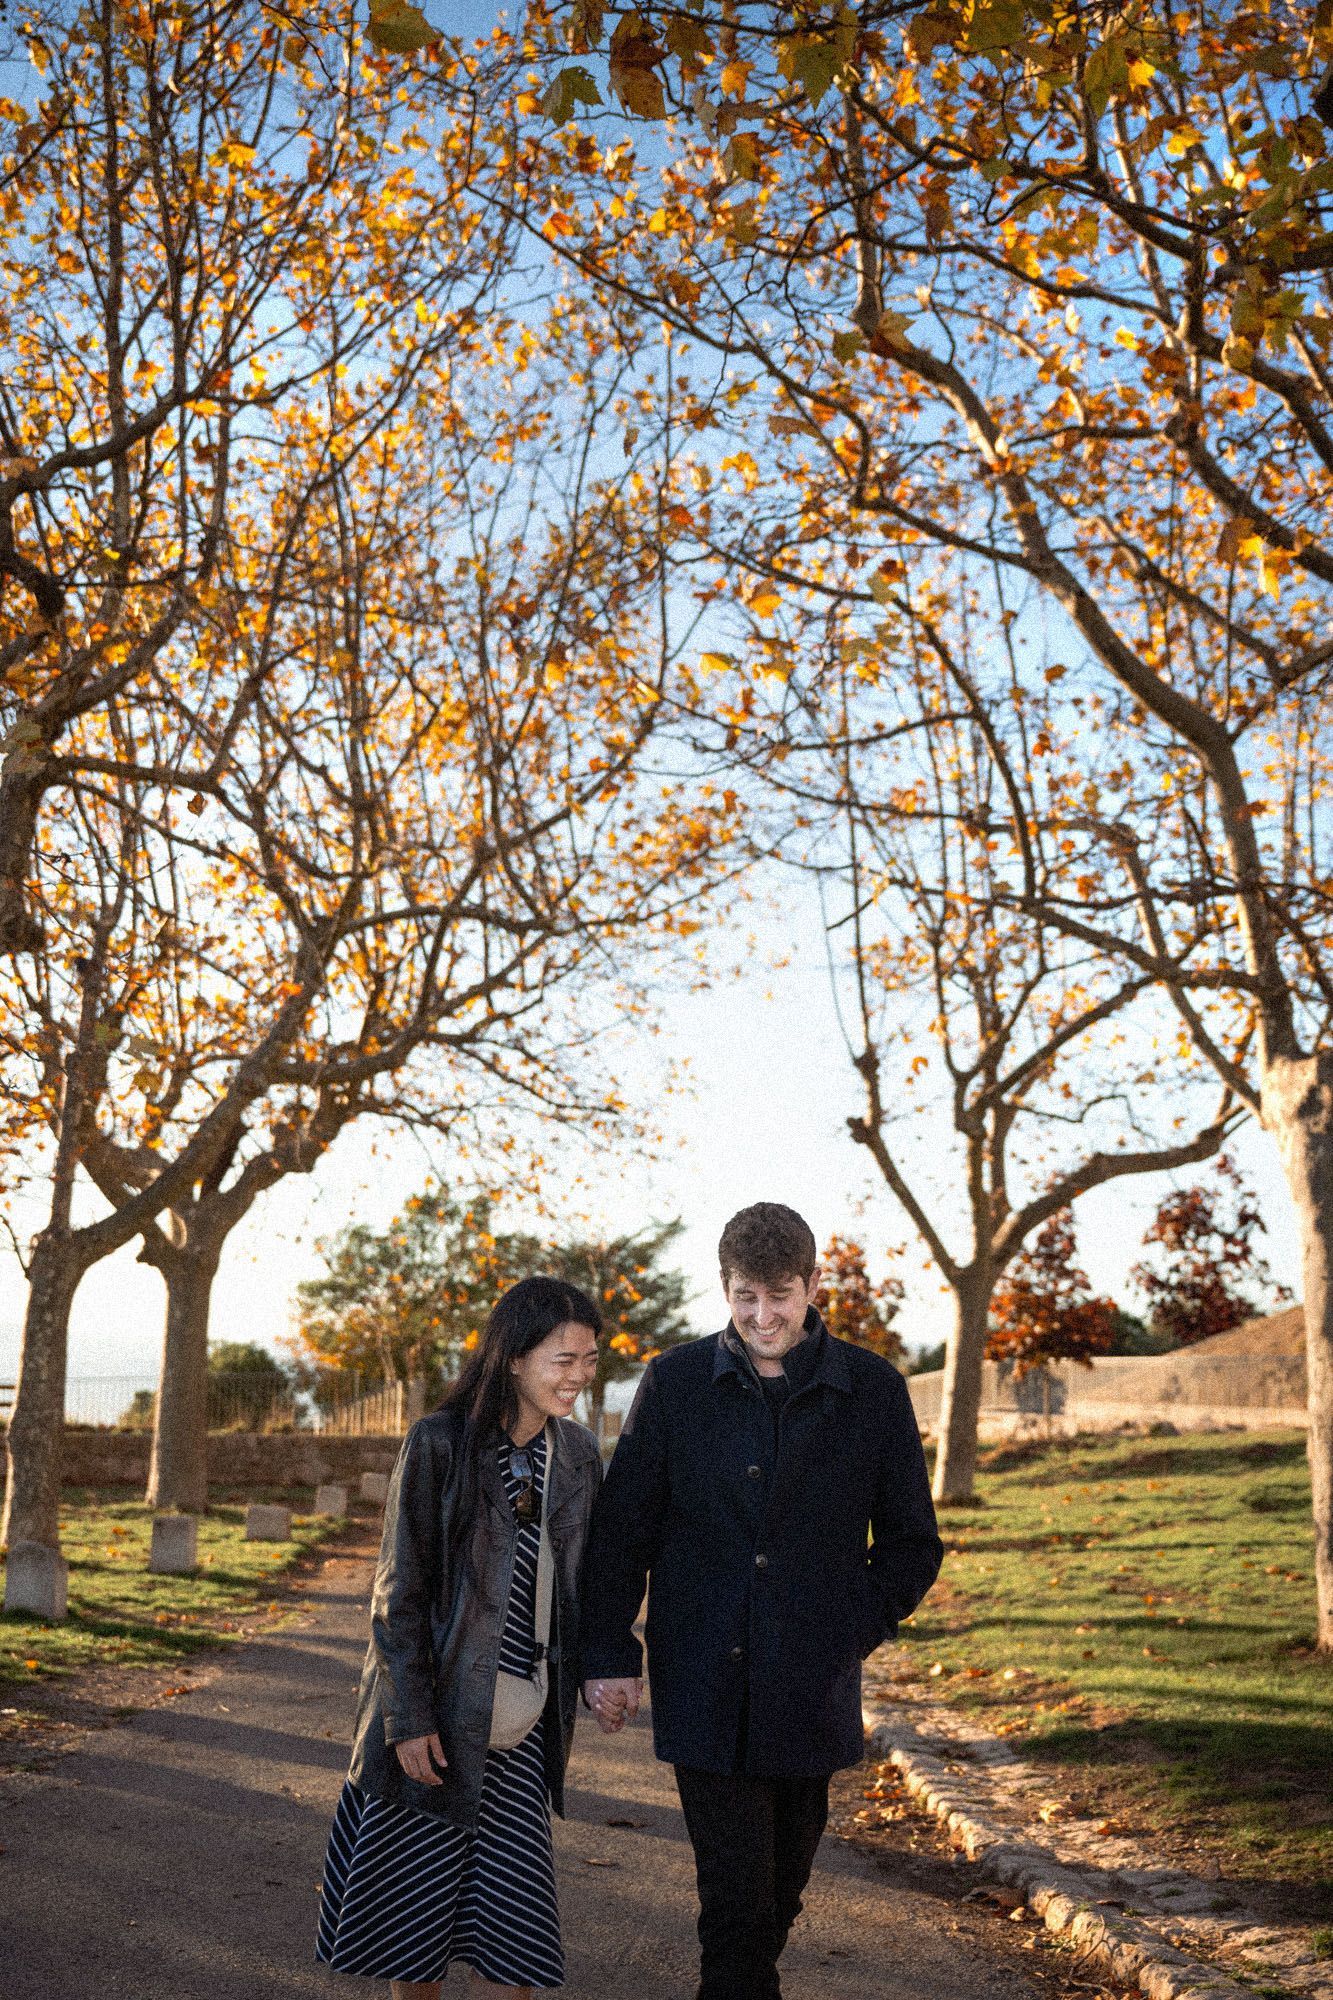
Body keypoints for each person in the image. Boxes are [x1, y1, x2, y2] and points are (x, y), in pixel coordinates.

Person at [580, 1201, 943, 2000]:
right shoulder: (675, 1383)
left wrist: (850, 1628)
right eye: (745, 1296)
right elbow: (622, 1532)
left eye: (778, 1295)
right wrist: (608, 1655)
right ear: (725, 1287)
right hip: (703, 1681)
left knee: (779, 1892)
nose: (761, 1315)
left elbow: (913, 1545)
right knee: (736, 1908)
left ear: (813, 1285)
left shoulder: (873, 1391)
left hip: (810, 1688)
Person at [316, 1275, 604, 1998]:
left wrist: (605, 1669)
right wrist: (408, 1718)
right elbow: (397, 1592)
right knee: (415, 1930)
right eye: (562, 1360)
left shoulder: (576, 1456)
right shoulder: (439, 1442)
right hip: (439, 1721)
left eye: (589, 1361)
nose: (578, 1376)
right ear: (512, 1356)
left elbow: (583, 1590)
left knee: (516, 1932)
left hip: (522, 1727)